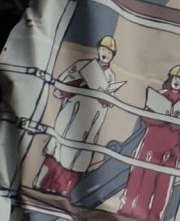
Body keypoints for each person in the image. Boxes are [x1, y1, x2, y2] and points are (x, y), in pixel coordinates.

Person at [36, 36, 121, 196]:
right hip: (73, 111)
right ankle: (42, 184)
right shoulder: (82, 65)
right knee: (59, 149)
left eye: (109, 52)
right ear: (98, 50)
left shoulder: (110, 76)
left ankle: (64, 191)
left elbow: (109, 100)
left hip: (92, 118)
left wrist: (104, 95)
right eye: (103, 49)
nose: (105, 54)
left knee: (78, 155)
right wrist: (80, 82)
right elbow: (62, 83)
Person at [124, 65, 180, 221]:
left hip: (172, 147)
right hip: (152, 142)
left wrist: (176, 121)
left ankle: (155, 216)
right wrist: (161, 118)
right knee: (143, 176)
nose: (177, 81)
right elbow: (146, 117)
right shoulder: (159, 96)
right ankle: (134, 210)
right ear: (170, 78)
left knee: (164, 183)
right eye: (175, 77)